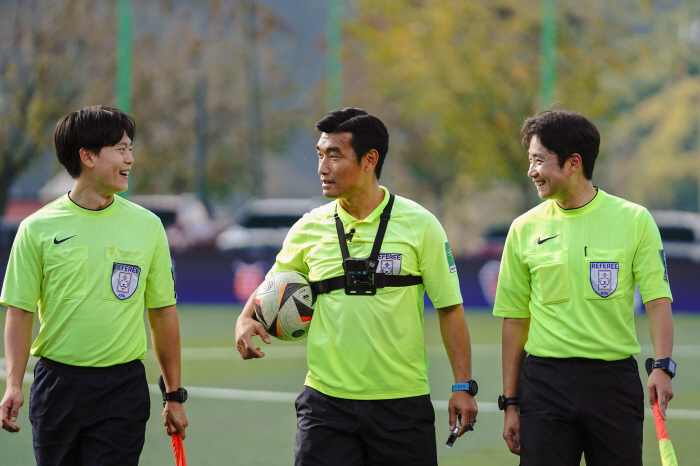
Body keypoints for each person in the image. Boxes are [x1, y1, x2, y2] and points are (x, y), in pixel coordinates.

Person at [235, 107, 478, 466]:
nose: (322, 168)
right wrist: (246, 317)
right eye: (320, 155)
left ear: (369, 160)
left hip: (402, 405)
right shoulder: (307, 227)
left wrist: (462, 386)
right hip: (325, 405)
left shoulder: (421, 225)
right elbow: (273, 284)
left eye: (335, 156)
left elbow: (450, 308)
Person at [0, 106, 188, 465]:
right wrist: (13, 384)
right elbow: (20, 313)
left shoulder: (148, 226)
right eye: (120, 149)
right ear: (87, 156)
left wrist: (173, 395)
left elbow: (163, 313)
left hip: (122, 389)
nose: (130, 159)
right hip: (56, 387)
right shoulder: (36, 229)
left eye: (130, 149)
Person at [494, 108, 674, 465]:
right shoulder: (523, 228)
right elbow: (515, 320)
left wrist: (662, 365)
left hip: (613, 383)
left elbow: (657, 299)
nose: (531, 171)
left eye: (538, 161)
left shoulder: (634, 220)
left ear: (573, 162)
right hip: (544, 384)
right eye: (530, 161)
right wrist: (511, 402)